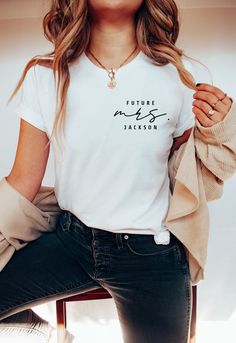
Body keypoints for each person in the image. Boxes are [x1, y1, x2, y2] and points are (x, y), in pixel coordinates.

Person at [0, 0, 234, 342]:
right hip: (72, 240)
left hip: (151, 255)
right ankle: (37, 328)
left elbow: (190, 176)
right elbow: (21, 183)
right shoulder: (46, 74)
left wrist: (218, 131)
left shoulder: (176, 75)